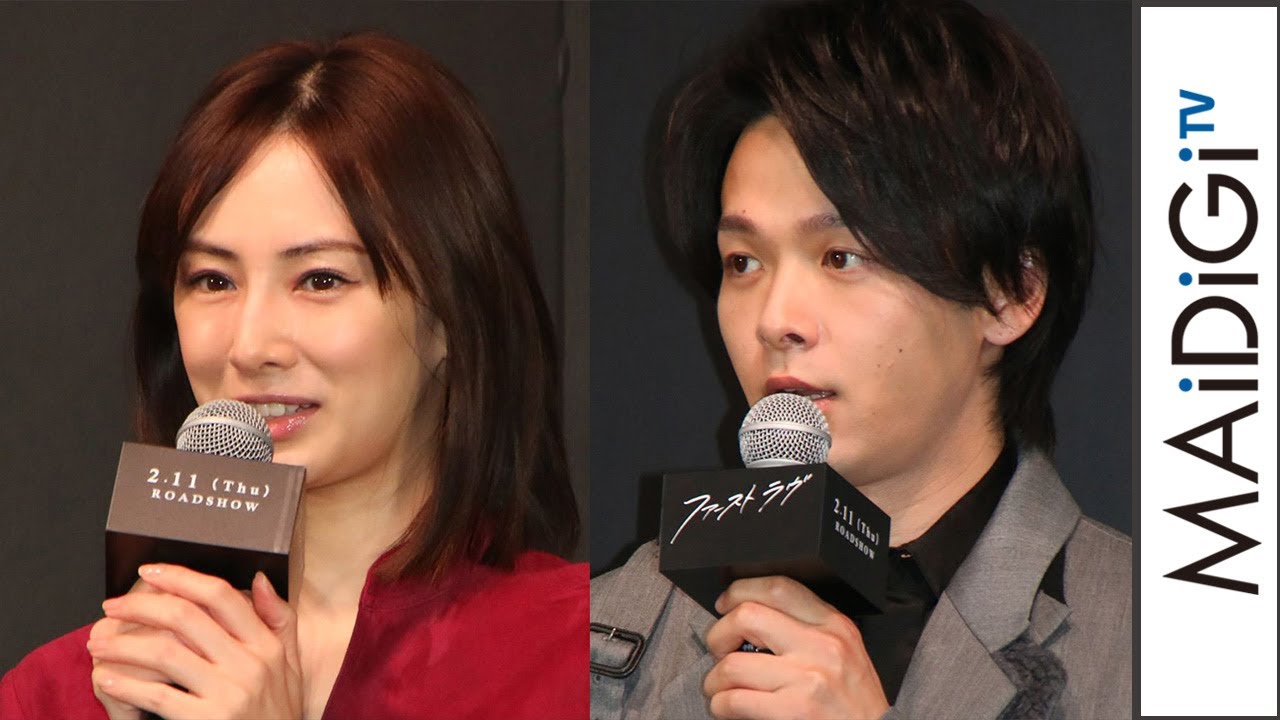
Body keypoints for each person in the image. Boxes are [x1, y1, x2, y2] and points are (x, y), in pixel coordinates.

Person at [1, 32, 586, 720]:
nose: (250, 347)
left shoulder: (582, 663)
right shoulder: (58, 695)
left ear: (452, 316)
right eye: (213, 280)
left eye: (320, 279)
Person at [589, 1, 1130, 719]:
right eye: (743, 261)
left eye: (841, 257)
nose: (776, 321)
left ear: (1008, 294)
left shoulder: (1164, 643)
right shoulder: (613, 627)